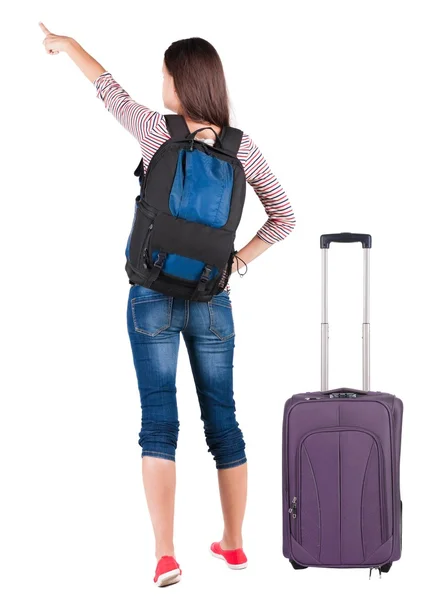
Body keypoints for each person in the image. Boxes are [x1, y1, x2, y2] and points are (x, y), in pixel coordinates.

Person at [39, 22, 296, 587]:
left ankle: (165, 555)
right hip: (212, 299)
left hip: (150, 295)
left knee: (158, 424)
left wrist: (66, 45)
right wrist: (237, 264)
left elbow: (108, 91)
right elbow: (285, 217)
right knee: (223, 422)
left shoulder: (158, 132)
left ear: (179, 81)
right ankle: (233, 546)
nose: (160, 84)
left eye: (164, 74)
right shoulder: (240, 147)